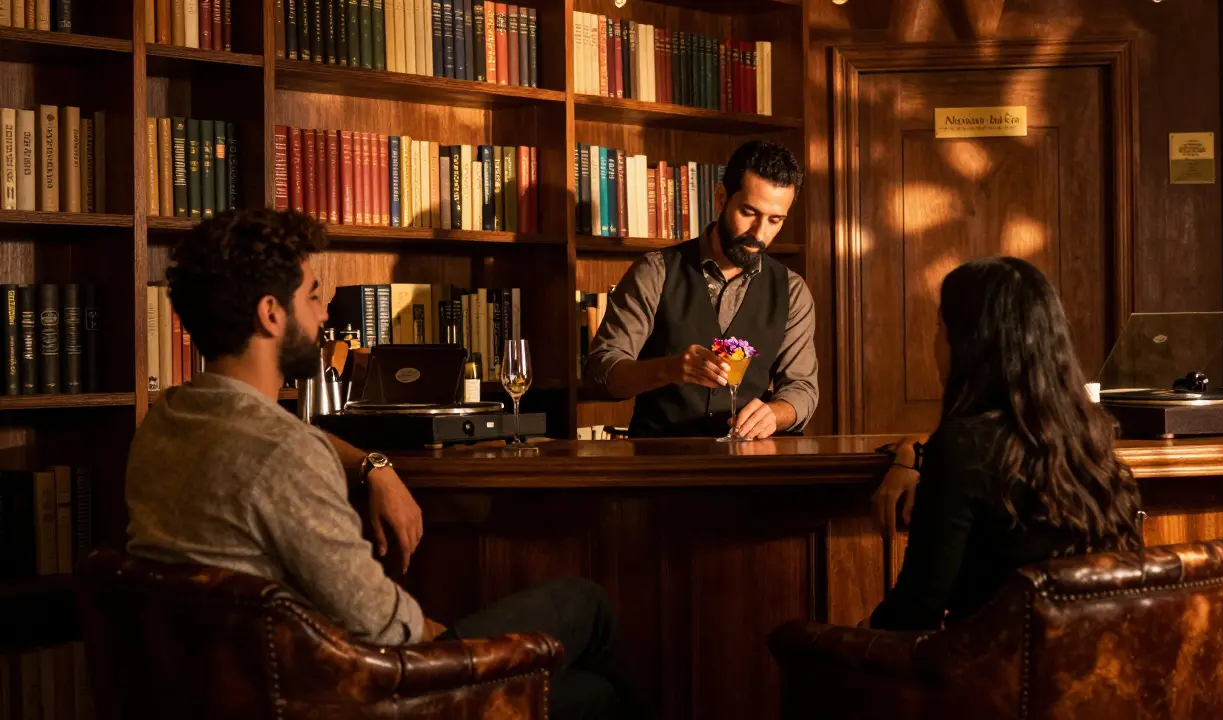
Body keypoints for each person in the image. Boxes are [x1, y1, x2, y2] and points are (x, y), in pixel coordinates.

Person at [125, 209, 648, 720]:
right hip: (347, 694)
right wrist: (471, 649)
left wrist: (375, 464)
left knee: (585, 688)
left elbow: (289, 437)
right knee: (586, 611)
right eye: (312, 296)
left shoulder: (165, 421)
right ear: (271, 314)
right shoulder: (284, 455)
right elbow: (388, 629)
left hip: (232, 691)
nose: (325, 315)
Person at [866, 257, 1144, 630]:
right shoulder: (1089, 435)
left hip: (990, 679)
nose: (935, 342)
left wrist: (848, 639)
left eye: (939, 327)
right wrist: (912, 453)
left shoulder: (964, 447)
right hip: (1090, 673)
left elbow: (914, 611)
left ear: (968, 344)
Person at [583, 140, 818, 439]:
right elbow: (600, 374)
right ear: (721, 198)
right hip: (660, 468)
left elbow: (803, 390)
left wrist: (776, 414)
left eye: (775, 220)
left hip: (752, 468)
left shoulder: (792, 291)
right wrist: (668, 369)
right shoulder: (655, 272)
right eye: (749, 212)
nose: (760, 234)